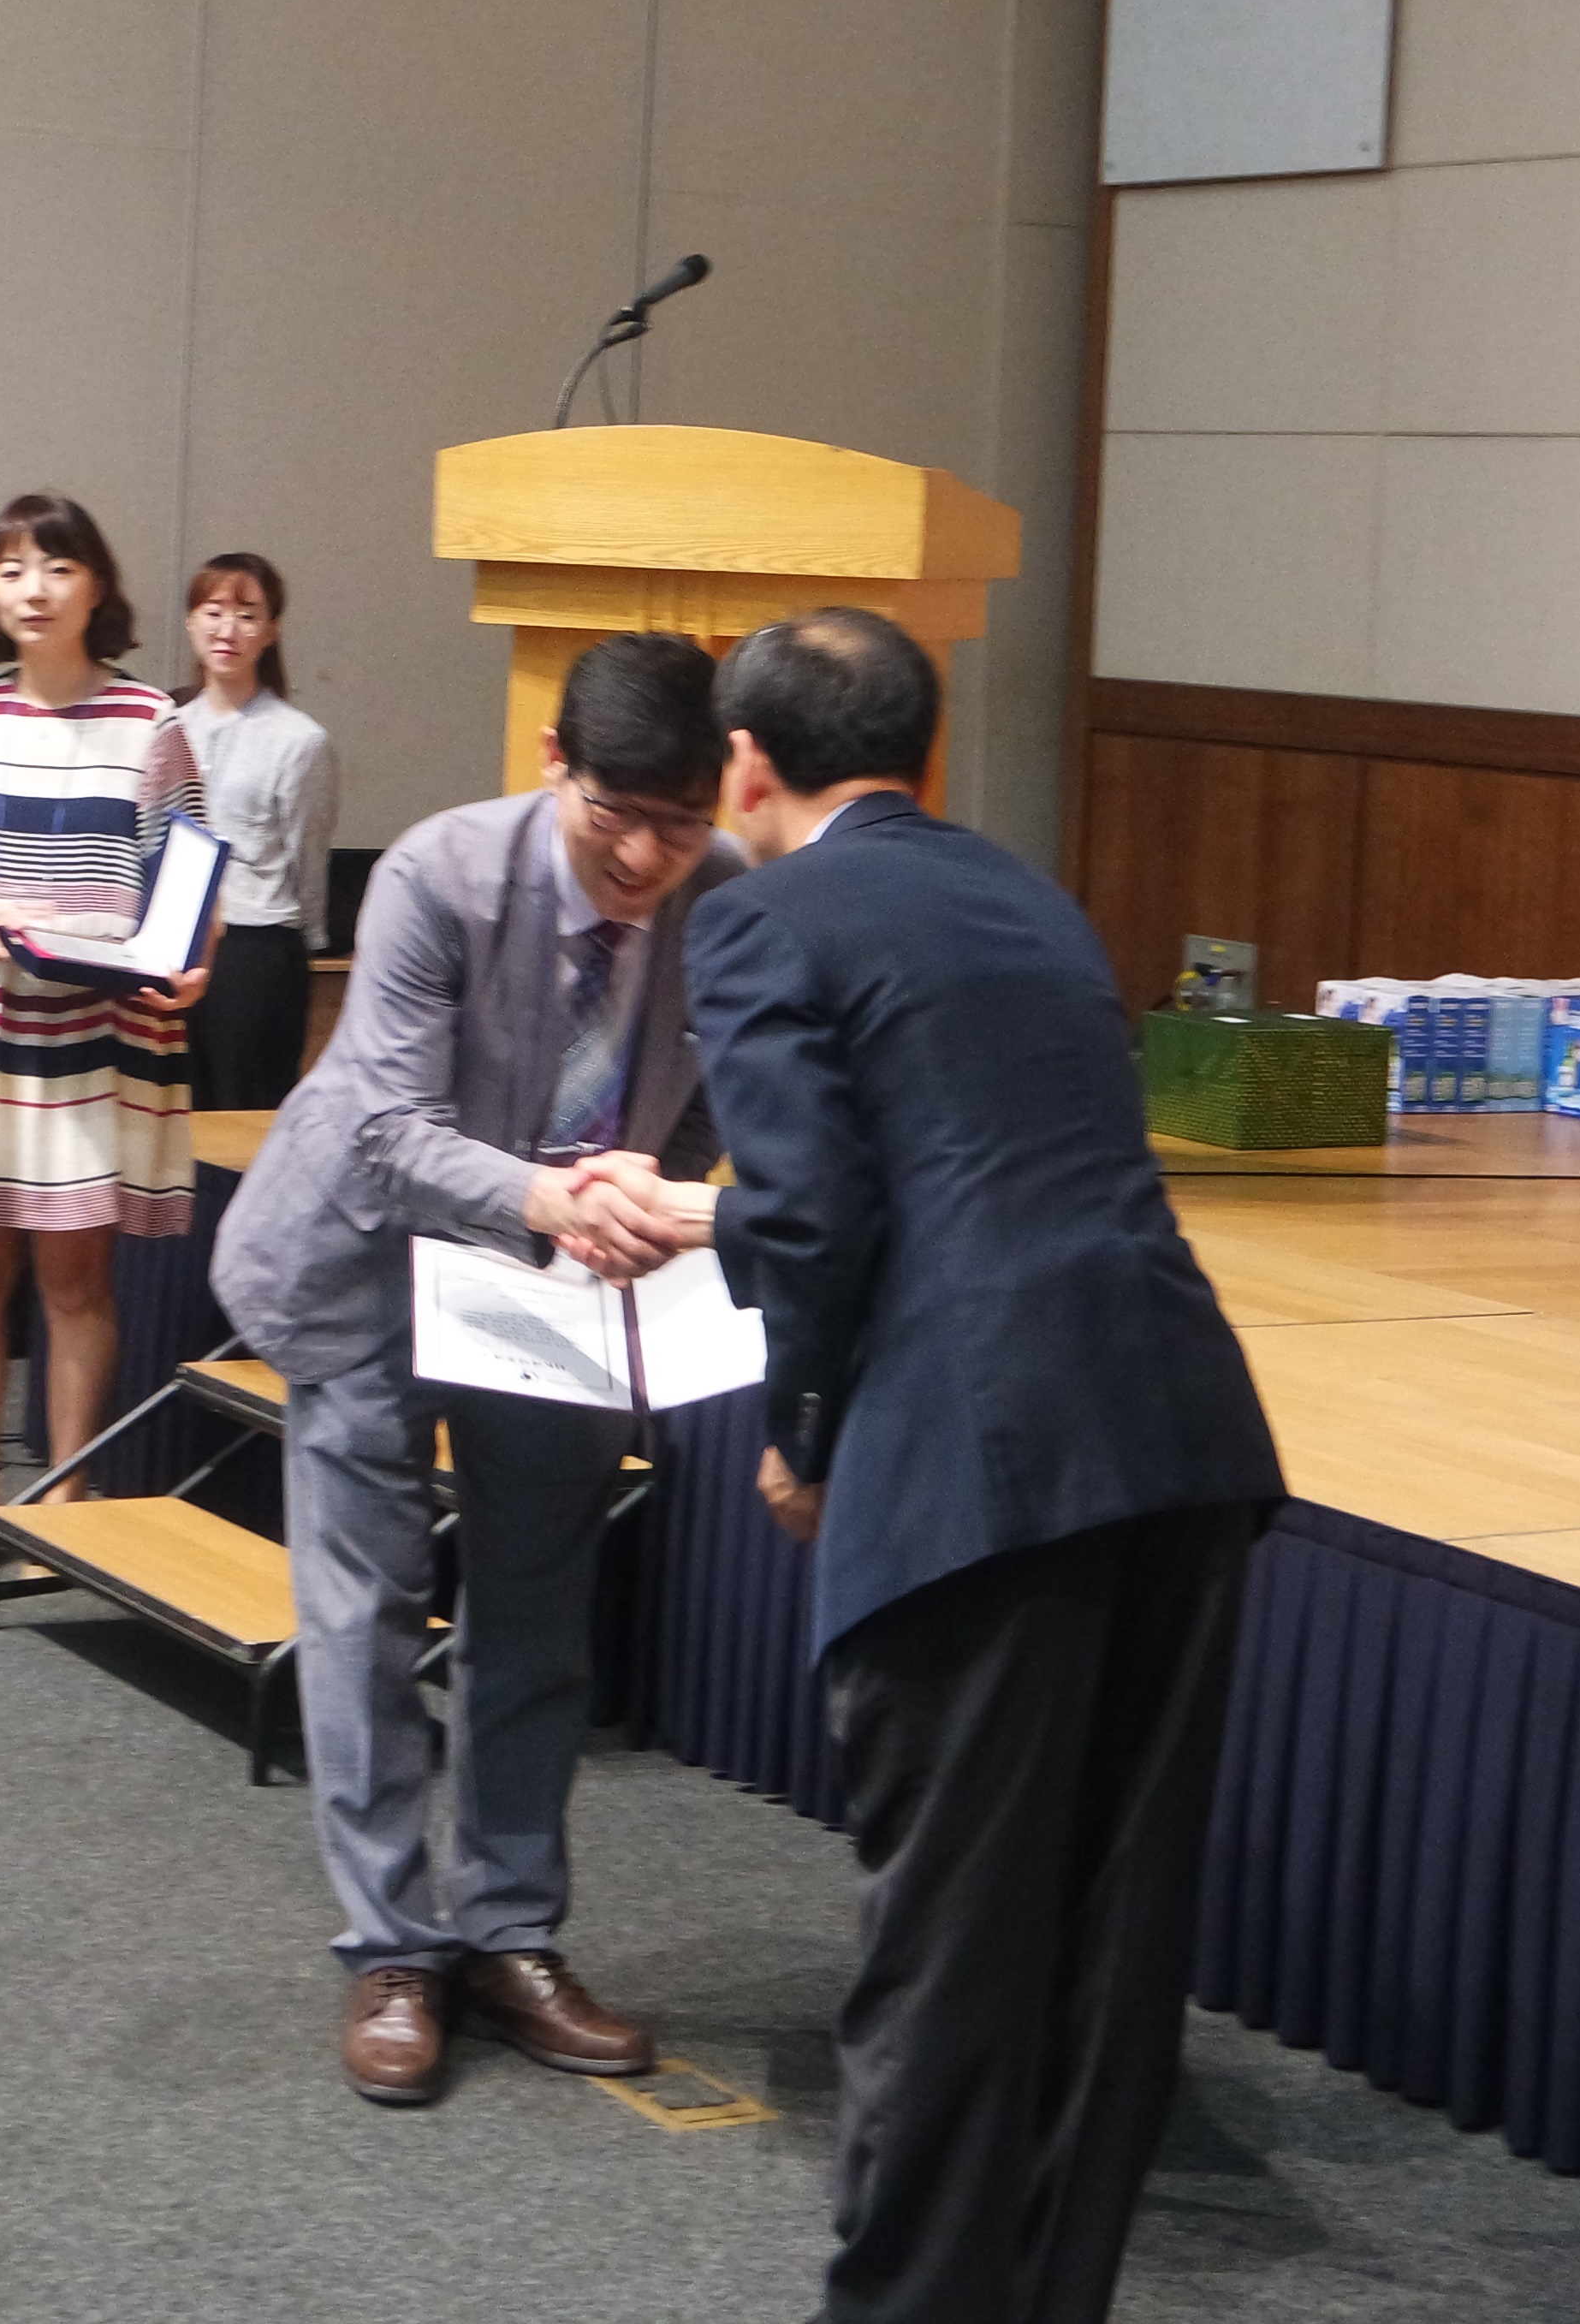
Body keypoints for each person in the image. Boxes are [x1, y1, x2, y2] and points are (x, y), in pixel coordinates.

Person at [585, 609, 1285, 2324]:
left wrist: (804, 1438)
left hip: (977, 1469)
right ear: (924, 751)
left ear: (744, 762)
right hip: (1180, 1434)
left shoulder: (758, 913)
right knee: (1107, 1954)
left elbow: (821, 1214)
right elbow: (963, 1166)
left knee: (949, 1961)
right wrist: (726, 1221)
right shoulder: (1029, 895)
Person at [209, 633, 740, 2108]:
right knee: (365, 1611)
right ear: (554, 763)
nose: (645, 855)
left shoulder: (725, 895)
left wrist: (650, 1193)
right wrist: (552, 1196)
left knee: (537, 1612)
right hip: (372, 1264)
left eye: (681, 822)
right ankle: (392, 1948)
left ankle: (511, 1937)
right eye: (615, 813)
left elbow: (708, 1093)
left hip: (554, 1288)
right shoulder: (439, 873)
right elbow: (388, 1132)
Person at [0, 494, 210, 1586]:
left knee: (76, 1278)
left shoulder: (150, 721)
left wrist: (193, 960)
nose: (34, 590)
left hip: (98, 1021)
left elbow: (190, 875)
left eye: (59, 568)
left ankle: (66, 1502)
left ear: (97, 586)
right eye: (12, 569)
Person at [174, 551, 337, 1114]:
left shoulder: (299, 740)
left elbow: (307, 859)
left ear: (271, 631)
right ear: (190, 621)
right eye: (213, 611)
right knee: (171, 1107)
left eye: (247, 615)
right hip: (175, 942)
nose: (228, 630)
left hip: (256, 947)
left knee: (246, 1111)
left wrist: (299, 954)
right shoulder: (167, 727)